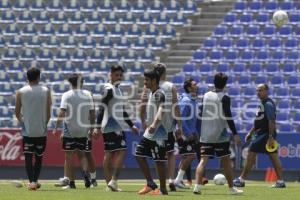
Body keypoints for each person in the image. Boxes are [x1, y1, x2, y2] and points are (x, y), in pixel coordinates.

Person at [193, 73, 243, 195]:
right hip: (220, 134)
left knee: (203, 161)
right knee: (226, 160)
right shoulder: (225, 98)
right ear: (225, 84)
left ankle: (197, 187)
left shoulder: (205, 96)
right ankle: (231, 189)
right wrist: (235, 134)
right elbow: (228, 116)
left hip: (206, 134)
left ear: (214, 82)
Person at [93, 65, 139, 192]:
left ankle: (110, 185)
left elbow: (122, 110)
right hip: (111, 125)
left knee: (110, 153)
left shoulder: (118, 90)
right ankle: (112, 181)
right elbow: (101, 108)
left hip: (117, 126)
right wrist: (96, 127)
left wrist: (131, 125)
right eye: (116, 75)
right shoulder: (109, 89)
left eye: (120, 75)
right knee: (121, 151)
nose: (119, 77)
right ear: (111, 75)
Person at [140, 63, 183, 192]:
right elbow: (176, 107)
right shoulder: (170, 86)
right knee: (168, 154)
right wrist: (179, 125)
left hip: (156, 126)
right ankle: (170, 179)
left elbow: (142, 104)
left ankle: (158, 185)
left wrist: (143, 121)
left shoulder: (150, 88)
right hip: (168, 126)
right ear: (164, 73)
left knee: (158, 157)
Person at [233, 84, 286, 188]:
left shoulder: (268, 104)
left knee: (251, 154)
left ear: (267, 91)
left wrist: (270, 137)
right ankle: (280, 181)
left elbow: (271, 121)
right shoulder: (262, 104)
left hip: (265, 134)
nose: (258, 92)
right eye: (257, 90)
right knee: (273, 157)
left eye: (260, 90)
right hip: (262, 133)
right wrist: (251, 132)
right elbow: (259, 121)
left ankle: (241, 180)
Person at [52, 73, 95, 189]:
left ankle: (71, 183)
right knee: (82, 155)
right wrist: (92, 128)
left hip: (70, 129)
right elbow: (92, 113)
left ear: (70, 83)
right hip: (83, 129)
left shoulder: (67, 95)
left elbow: (62, 112)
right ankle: (86, 175)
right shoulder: (88, 95)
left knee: (69, 156)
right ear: (81, 82)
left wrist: (56, 128)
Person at [15, 67, 52, 190]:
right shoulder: (46, 91)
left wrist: (23, 121)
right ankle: (35, 181)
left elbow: (17, 112)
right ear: (38, 77)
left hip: (28, 130)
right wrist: (44, 123)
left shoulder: (20, 92)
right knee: (39, 157)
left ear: (27, 77)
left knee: (28, 157)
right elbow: (48, 112)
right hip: (41, 129)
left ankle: (32, 182)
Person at [135, 69, 168, 195]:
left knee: (159, 161)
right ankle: (150, 183)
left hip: (158, 132)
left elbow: (162, 109)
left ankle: (163, 189)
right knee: (139, 155)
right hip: (150, 133)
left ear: (154, 81)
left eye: (147, 80)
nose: (145, 82)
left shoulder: (159, 93)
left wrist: (154, 124)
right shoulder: (151, 93)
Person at [173, 79, 198, 189]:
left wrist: (195, 132)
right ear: (189, 88)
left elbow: (191, 120)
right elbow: (181, 118)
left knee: (185, 157)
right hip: (183, 133)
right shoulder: (186, 100)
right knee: (191, 156)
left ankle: (179, 180)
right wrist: (187, 133)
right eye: (194, 84)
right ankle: (177, 180)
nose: (197, 86)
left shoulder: (191, 100)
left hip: (189, 132)